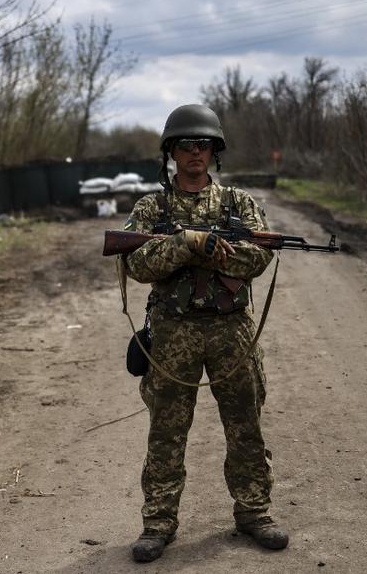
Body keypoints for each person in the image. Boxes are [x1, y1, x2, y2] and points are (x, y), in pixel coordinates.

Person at [122, 104, 288, 562]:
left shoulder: (238, 204)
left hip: (231, 328)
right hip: (174, 332)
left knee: (245, 425)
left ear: (215, 152)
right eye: (186, 145)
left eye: (204, 145)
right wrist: (185, 243)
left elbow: (259, 256)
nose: (195, 153)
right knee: (166, 431)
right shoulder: (152, 207)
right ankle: (158, 522)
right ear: (171, 152)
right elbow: (136, 264)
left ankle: (255, 512)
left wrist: (214, 254)